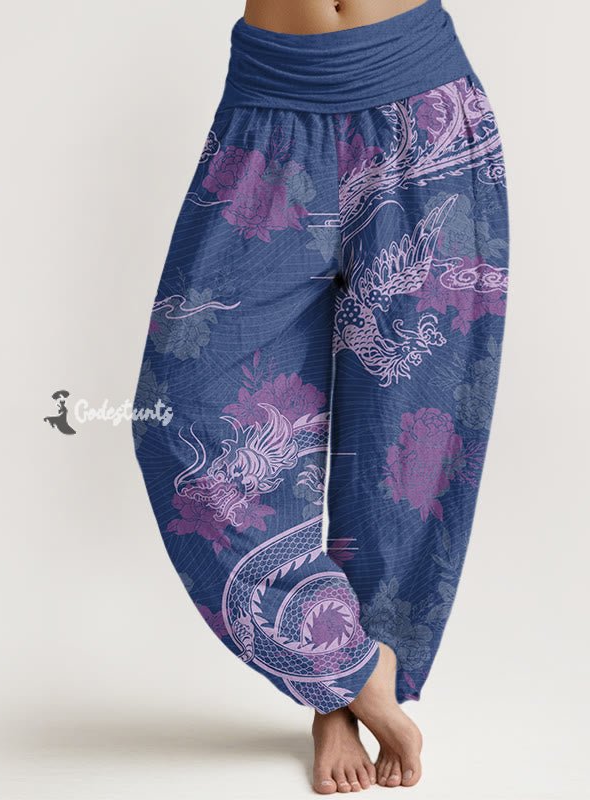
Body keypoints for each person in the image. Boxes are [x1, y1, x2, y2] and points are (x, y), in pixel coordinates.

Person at [132, 0, 509, 792]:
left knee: (405, 442)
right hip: (268, 112)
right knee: (180, 411)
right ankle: (348, 668)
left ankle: (337, 701)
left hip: (420, 106)